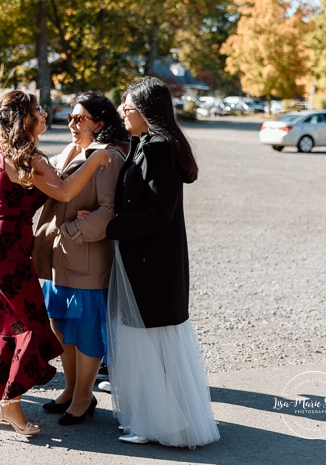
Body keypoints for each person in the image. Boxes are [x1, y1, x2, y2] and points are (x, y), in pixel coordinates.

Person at [0, 90, 112, 437]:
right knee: (33, 327)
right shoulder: (30, 158)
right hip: (10, 248)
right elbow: (63, 192)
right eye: (39, 111)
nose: (46, 115)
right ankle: (11, 402)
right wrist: (94, 160)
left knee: (10, 325)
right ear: (26, 120)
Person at [105, 77, 220, 447]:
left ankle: (164, 425)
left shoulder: (159, 148)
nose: (122, 111)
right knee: (146, 343)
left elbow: (160, 212)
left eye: (128, 106)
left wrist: (110, 226)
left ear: (146, 110)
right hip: (144, 257)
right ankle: (153, 419)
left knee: (152, 342)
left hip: (152, 261)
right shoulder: (145, 144)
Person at [32, 92, 126, 425]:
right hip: (59, 260)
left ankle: (85, 397)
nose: (72, 123)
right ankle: (71, 389)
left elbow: (110, 209)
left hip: (86, 258)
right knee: (62, 328)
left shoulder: (108, 157)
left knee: (85, 331)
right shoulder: (72, 151)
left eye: (80, 118)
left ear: (100, 123)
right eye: (70, 118)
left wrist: (76, 230)